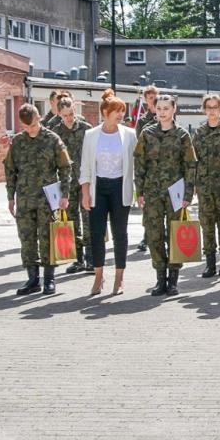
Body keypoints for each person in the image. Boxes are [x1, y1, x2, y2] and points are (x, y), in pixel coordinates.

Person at [4, 103, 74, 296]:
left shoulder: (52, 139)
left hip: (47, 200)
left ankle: (49, 279)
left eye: (33, 125)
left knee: (47, 239)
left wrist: (65, 194)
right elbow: (10, 170)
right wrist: (11, 197)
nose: (30, 130)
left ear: (39, 118)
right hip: (25, 198)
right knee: (27, 239)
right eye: (26, 127)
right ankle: (32, 279)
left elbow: (65, 167)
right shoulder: (17, 142)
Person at [133, 93, 197, 296]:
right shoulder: (147, 133)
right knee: (154, 235)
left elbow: (190, 165)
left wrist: (188, 194)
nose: (162, 112)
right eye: (159, 108)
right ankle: (160, 278)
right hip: (152, 192)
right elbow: (139, 164)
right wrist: (140, 191)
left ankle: (173, 279)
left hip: (175, 192)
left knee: (175, 234)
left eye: (166, 108)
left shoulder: (182, 135)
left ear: (173, 110)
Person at [80, 90, 138, 296]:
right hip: (98, 188)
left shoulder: (130, 135)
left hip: (120, 187)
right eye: (116, 111)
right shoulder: (91, 135)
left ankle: (119, 277)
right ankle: (98, 276)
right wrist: (85, 192)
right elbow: (85, 166)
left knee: (120, 233)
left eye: (122, 111)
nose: (121, 115)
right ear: (105, 112)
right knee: (96, 233)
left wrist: (139, 191)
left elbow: (136, 165)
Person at [192, 93, 220, 279]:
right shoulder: (199, 132)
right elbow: (193, 160)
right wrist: (193, 184)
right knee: (207, 225)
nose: (213, 111)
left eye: (216, 107)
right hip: (205, 186)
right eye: (209, 108)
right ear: (204, 110)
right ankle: (209, 263)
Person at [52, 96, 92, 274]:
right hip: (67, 183)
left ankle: (92, 258)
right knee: (71, 219)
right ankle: (78, 259)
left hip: (85, 180)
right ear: (59, 114)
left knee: (88, 219)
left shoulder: (86, 129)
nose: (70, 118)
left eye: (72, 114)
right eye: (66, 115)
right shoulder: (55, 133)